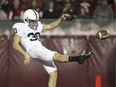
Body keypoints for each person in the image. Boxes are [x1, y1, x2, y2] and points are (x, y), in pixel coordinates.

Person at [12, 9, 92, 87]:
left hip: (38, 48)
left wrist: (60, 19)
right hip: (32, 49)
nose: (35, 23)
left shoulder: (37, 25)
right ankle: (78, 58)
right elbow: (15, 44)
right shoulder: (21, 27)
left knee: (53, 72)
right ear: (26, 20)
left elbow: (50, 26)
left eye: (36, 20)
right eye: (33, 21)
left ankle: (79, 59)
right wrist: (25, 54)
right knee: (57, 56)